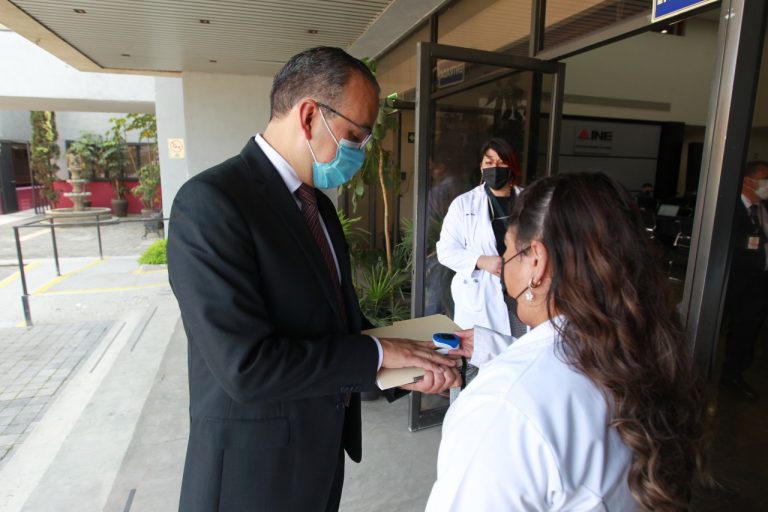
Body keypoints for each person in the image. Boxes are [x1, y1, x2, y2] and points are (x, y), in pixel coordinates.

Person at [167, 47, 460, 512]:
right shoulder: (211, 204)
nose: (360, 153)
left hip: (319, 463)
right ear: (309, 117)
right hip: (252, 478)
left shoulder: (318, 206)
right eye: (355, 135)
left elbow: (339, 330)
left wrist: (413, 363)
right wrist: (381, 352)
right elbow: (247, 367)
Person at [427, 172, 709, 511]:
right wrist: (495, 349)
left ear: (537, 261)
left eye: (506, 249)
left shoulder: (501, 407)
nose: (502, 261)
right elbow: (573, 375)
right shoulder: (640, 347)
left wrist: (510, 371)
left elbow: (540, 393)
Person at [436, 138, 526, 338]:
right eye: (489, 162)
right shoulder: (464, 204)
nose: (495, 168)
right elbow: (445, 251)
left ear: (512, 166)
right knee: (483, 355)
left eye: (502, 162)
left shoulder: (529, 201)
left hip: (521, 288)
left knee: (519, 347)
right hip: (481, 295)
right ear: (481, 166)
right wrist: (481, 261)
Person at [721, 160, 768, 401]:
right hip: (731, 280)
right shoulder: (729, 209)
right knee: (723, 325)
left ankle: (734, 373)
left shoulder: (763, 210)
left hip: (757, 283)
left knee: (746, 330)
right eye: (764, 179)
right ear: (748, 181)